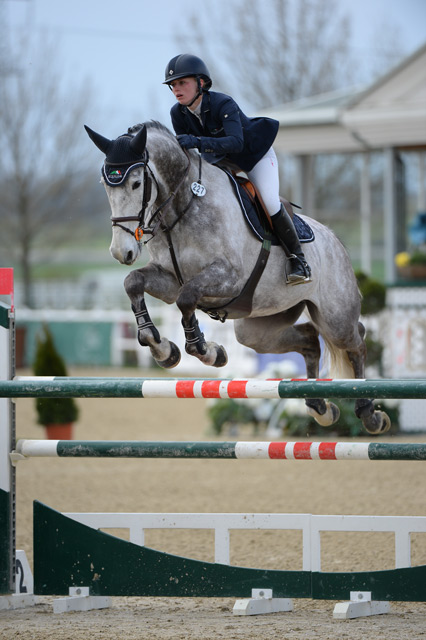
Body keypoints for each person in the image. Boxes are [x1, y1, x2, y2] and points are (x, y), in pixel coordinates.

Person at [163, 53, 311, 285]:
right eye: (173, 85)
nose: (177, 89)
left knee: (270, 202)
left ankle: (298, 260)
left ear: (201, 83)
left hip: (254, 157)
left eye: (183, 83)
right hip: (221, 161)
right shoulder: (177, 113)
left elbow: (236, 142)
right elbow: (190, 153)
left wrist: (198, 142)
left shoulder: (223, 104)